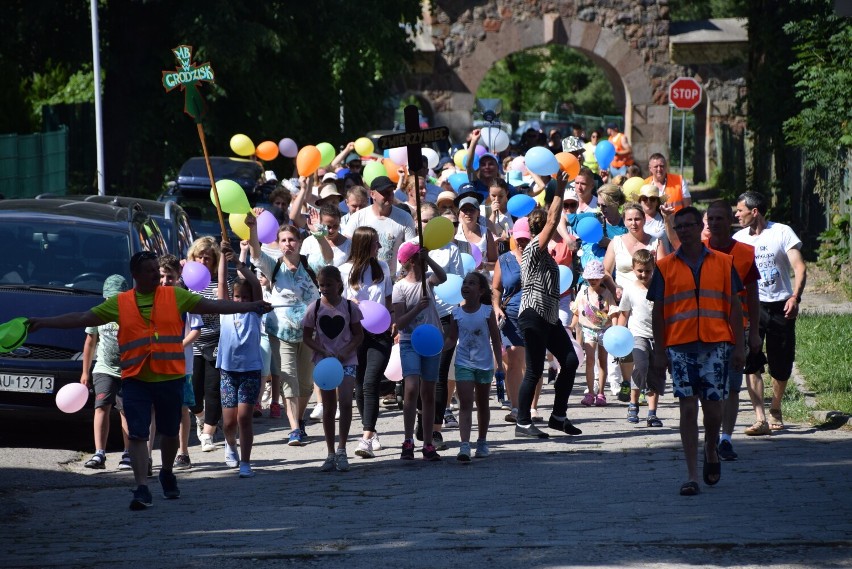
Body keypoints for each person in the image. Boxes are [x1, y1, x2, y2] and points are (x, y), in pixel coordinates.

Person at [26, 251, 271, 510]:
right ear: (136, 275)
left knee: (167, 433)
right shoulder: (120, 303)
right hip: (135, 379)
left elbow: (214, 306)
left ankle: (166, 472)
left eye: (157, 269)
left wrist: (250, 306)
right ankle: (141, 487)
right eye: (150, 271)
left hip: (170, 378)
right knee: (138, 434)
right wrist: (43, 322)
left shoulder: (174, 295)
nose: (156, 275)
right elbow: (81, 318)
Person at [648, 206, 745, 496]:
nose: (684, 231)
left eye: (689, 225)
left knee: (713, 410)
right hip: (680, 346)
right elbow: (658, 312)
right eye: (679, 227)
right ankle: (692, 475)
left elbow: (736, 308)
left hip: (716, 345)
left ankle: (711, 446)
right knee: (688, 409)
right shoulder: (665, 266)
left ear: (698, 227)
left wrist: (739, 346)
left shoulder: (723, 262)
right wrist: (659, 352)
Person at [514, 172, 582, 439]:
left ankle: (558, 416)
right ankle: (522, 422)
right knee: (534, 370)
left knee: (571, 360)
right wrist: (560, 189)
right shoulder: (533, 249)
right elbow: (553, 219)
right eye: (545, 227)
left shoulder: (548, 256)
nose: (550, 228)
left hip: (549, 316)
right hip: (533, 314)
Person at [733, 191, 807, 433]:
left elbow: (799, 267)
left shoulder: (782, 232)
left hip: (780, 305)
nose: (736, 214)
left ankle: (775, 406)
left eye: (740, 210)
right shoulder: (738, 239)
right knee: (750, 359)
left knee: (781, 362)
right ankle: (760, 417)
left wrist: (795, 297)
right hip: (750, 306)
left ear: (754, 212)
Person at [248, 218, 320, 447]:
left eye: (291, 240)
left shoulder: (311, 265)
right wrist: (252, 229)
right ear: (278, 244)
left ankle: (298, 418)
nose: (288, 244)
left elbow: (329, 259)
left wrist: (319, 235)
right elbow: (256, 254)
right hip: (281, 333)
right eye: (283, 240)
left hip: (310, 333)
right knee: (289, 380)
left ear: (299, 242)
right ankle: (295, 429)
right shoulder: (274, 266)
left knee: (307, 384)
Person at [704, 200, 762, 460]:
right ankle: (712, 435)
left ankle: (725, 439)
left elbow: (753, 295)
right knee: (710, 389)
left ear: (729, 221)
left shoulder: (745, 253)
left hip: (737, 330)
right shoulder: (698, 250)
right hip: (703, 331)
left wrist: (755, 332)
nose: (715, 223)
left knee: (732, 387)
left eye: (720, 218)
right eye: (711, 219)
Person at [302, 265, 364, 472]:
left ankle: (342, 449)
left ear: (339, 285)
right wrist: (321, 350)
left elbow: (358, 335)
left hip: (346, 361)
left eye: (329, 284)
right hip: (324, 363)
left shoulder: (349, 307)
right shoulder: (315, 307)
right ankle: (330, 452)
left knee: (345, 402)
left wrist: (346, 351)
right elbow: (306, 337)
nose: (325, 289)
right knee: (328, 407)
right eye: (321, 285)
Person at [340, 227, 393, 459]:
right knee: (360, 385)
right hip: (355, 334)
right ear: (364, 245)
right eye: (375, 244)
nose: (379, 248)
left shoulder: (382, 268)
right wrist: (349, 303)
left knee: (371, 382)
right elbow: (337, 304)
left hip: (380, 333)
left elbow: (389, 298)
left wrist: (394, 322)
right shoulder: (345, 270)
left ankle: (366, 437)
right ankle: (370, 429)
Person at [392, 241, 447, 460]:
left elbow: (442, 276)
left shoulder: (428, 282)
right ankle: (407, 439)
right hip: (409, 342)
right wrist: (418, 308)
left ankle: (428, 441)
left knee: (428, 392)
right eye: (421, 258)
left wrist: (430, 259)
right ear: (413, 261)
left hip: (432, 341)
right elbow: (401, 322)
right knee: (412, 387)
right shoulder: (400, 287)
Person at [215, 243, 264, 478]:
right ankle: (230, 444)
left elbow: (254, 284)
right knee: (228, 422)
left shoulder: (255, 311)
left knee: (245, 417)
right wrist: (224, 257)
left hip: (250, 370)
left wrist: (239, 263)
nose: (241, 300)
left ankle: (246, 462)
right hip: (227, 371)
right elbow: (222, 281)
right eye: (237, 297)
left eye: (245, 297)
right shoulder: (225, 309)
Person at [444, 272, 503, 461]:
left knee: (483, 403)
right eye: (464, 283)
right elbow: (452, 339)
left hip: (484, 364)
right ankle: (464, 445)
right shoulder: (456, 312)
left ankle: (482, 441)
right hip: (463, 363)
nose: (466, 286)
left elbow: (495, 338)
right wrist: (438, 349)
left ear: (481, 290)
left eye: (472, 283)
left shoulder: (486, 312)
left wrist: (499, 364)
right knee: (465, 403)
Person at [185, 237, 231, 453]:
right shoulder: (186, 283)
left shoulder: (220, 282)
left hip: (215, 341)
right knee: (193, 393)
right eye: (199, 258)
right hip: (191, 344)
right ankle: (201, 417)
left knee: (213, 390)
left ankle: (208, 435)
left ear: (214, 263)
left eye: (208, 259)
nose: (203, 262)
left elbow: (224, 303)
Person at [80, 275, 131, 471]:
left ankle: (127, 453)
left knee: (126, 411)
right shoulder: (98, 313)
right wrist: (85, 371)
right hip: (103, 368)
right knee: (101, 406)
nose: (114, 301)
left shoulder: (130, 313)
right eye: (111, 297)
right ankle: (99, 453)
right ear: (105, 297)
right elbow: (90, 342)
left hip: (128, 370)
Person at [158, 256, 203, 471]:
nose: (166, 281)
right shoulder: (152, 298)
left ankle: (183, 452)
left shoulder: (185, 299)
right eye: (162, 276)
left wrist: (179, 345)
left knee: (182, 407)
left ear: (178, 278)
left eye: (170, 277)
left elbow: (196, 329)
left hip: (182, 364)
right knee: (156, 409)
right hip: (158, 363)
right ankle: (149, 454)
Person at [617, 250, 665, 426]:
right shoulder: (630, 289)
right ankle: (633, 404)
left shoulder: (660, 287)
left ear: (653, 268)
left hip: (658, 337)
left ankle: (652, 413)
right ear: (633, 269)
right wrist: (618, 336)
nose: (644, 274)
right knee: (641, 366)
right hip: (638, 335)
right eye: (640, 271)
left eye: (648, 271)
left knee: (655, 372)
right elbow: (624, 314)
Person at [492, 217, 530, 421]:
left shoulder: (539, 258)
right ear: (513, 238)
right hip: (511, 315)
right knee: (514, 360)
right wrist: (496, 307)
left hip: (535, 315)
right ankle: (516, 407)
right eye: (519, 239)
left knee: (532, 362)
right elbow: (496, 288)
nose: (523, 243)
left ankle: (531, 407)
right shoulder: (504, 259)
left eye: (526, 239)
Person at [342, 176, 416, 276]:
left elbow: (411, 251)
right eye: (384, 192)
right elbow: (347, 248)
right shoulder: (357, 217)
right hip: (363, 278)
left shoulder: (405, 218)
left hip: (393, 280)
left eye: (391, 191)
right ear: (372, 194)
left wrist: (402, 275)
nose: (389, 195)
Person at [572, 260, 618, 407]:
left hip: (605, 330)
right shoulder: (583, 293)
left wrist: (616, 329)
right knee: (590, 360)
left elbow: (614, 313)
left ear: (601, 278)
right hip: (588, 330)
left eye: (596, 278)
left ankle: (601, 393)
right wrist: (569, 327)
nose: (593, 281)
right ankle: (590, 392)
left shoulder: (607, 294)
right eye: (590, 278)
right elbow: (577, 313)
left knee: (602, 361)